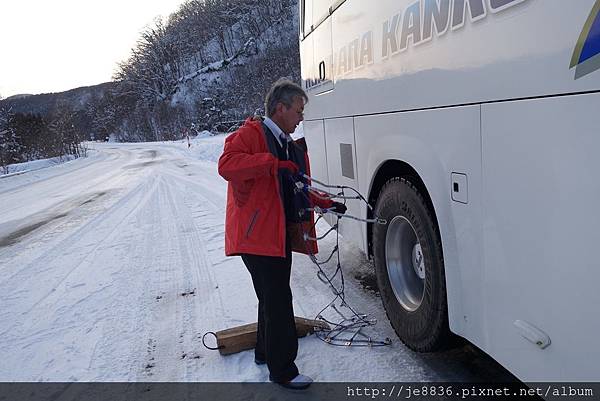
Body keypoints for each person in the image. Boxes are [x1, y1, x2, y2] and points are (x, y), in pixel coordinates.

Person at [218, 78, 346, 389]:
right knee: (278, 300)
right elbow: (227, 165)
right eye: (299, 110)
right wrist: (272, 164)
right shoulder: (251, 134)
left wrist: (324, 204)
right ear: (281, 108)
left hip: (274, 235)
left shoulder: (286, 142)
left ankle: (265, 352)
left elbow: (294, 186)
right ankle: (283, 370)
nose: (302, 117)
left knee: (270, 297)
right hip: (256, 236)